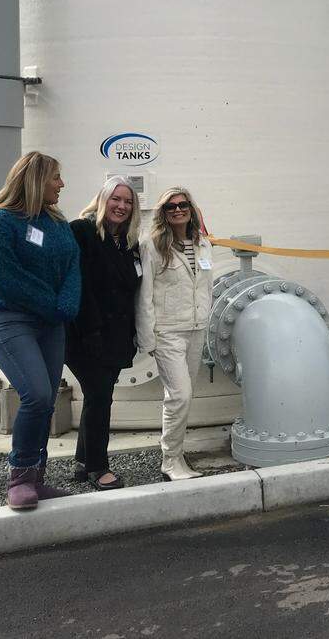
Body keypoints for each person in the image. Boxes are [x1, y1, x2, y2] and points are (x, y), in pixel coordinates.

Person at [0, 151, 81, 510]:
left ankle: (37, 479)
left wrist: (66, 304)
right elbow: (3, 277)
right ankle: (19, 477)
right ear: (37, 179)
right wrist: (50, 304)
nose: (62, 184)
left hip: (51, 324)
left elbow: (72, 264)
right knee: (36, 395)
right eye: (56, 177)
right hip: (11, 321)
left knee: (47, 401)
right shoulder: (1, 222)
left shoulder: (55, 222)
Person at [65, 176, 142, 490]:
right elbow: (78, 285)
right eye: (116, 199)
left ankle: (84, 461)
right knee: (99, 397)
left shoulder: (126, 243)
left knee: (97, 396)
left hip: (114, 338)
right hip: (86, 335)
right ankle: (99, 467)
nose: (121, 206)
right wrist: (91, 332)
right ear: (102, 199)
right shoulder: (82, 231)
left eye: (127, 202)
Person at [136, 187, 214, 480]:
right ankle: (170, 460)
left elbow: (205, 286)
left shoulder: (203, 244)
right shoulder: (152, 245)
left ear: (191, 210)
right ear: (163, 213)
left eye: (183, 205)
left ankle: (178, 455)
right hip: (168, 331)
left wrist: (206, 317)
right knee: (179, 395)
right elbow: (143, 295)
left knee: (186, 394)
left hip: (196, 328)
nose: (178, 210)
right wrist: (148, 338)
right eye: (171, 207)